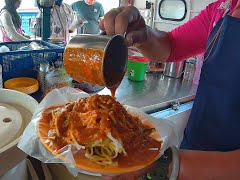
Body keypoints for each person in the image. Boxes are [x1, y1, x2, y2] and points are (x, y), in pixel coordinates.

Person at [100, 0, 240, 179]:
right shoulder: (223, 7)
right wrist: (144, 35)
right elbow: (172, 46)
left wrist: (167, 163)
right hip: (194, 145)